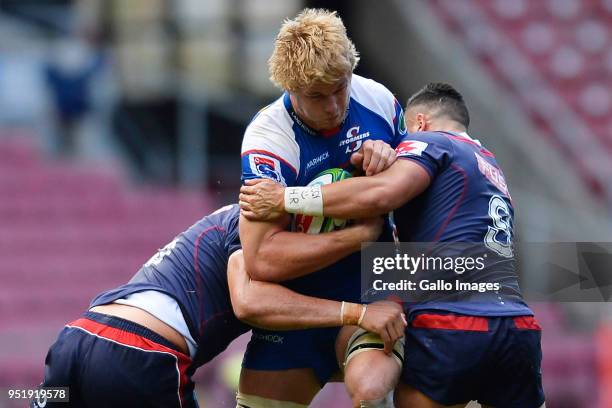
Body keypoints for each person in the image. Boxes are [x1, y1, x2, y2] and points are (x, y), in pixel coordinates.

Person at [240, 83, 546, 408]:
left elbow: (382, 193)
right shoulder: (489, 165)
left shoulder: (431, 142)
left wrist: (287, 198)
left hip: (450, 321)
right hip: (518, 326)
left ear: (420, 124)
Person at [32, 204, 406, 408]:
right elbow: (248, 302)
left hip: (77, 338)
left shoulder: (246, 221)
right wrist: (357, 312)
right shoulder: (261, 224)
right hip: (141, 355)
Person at [238, 8, 408, 407]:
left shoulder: (378, 100)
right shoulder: (269, 141)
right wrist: (359, 235)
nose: (333, 105)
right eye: (317, 96)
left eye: (340, 87)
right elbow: (262, 260)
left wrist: (394, 164)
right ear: (290, 89)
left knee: (371, 391)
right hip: (301, 306)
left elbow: (419, 194)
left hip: (373, 292)